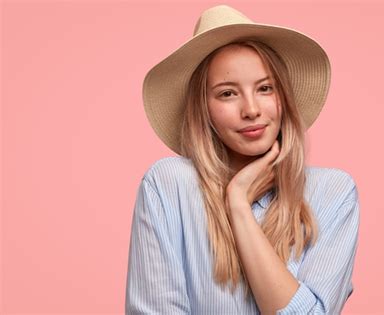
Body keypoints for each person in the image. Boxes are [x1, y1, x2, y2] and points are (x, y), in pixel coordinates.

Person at [125, 4, 360, 315]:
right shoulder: (169, 184)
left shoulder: (333, 192)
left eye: (264, 88)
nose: (251, 109)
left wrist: (238, 205)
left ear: (283, 98)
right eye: (227, 94)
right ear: (203, 109)